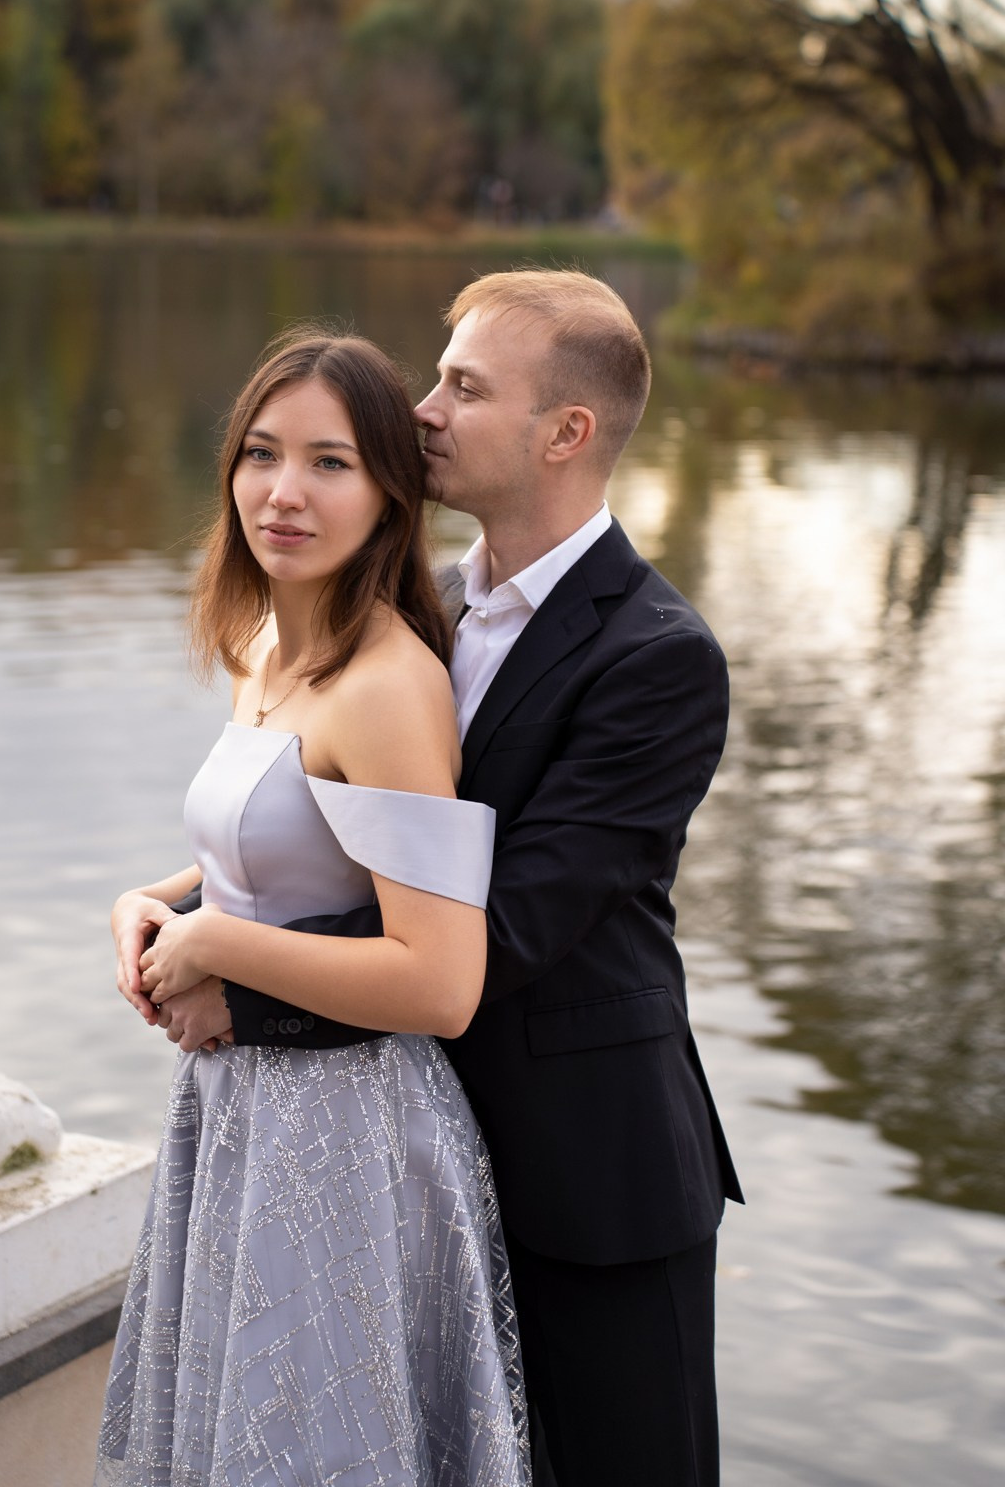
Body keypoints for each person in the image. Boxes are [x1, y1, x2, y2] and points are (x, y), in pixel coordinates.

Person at [155, 269, 742, 1487]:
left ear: (563, 433)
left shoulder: (656, 658)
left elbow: (501, 926)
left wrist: (240, 985)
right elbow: (342, 836)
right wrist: (177, 904)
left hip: (586, 1176)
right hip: (409, 1157)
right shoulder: (424, 607)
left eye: (464, 388)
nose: (422, 410)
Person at [98, 329, 531, 1487]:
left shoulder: (388, 687)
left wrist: (215, 941)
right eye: (260, 453)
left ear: (390, 495)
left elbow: (440, 978)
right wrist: (158, 898)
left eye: (329, 463)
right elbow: (285, 849)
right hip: (236, 1109)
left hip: (343, 1127)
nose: (282, 492)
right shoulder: (264, 647)